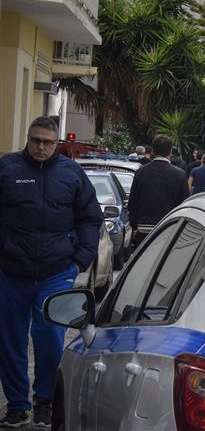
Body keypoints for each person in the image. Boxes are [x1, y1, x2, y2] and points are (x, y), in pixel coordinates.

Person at [0, 116, 103, 428]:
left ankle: (44, 400)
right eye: (35, 140)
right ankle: (17, 406)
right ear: (27, 138)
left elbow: (90, 218)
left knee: (49, 337)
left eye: (47, 142)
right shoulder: (8, 169)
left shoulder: (72, 174)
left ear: (57, 143)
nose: (40, 147)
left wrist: (80, 260)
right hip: (10, 270)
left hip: (56, 271)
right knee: (9, 341)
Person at [128, 135, 189, 247]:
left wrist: (135, 227)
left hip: (144, 230)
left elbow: (133, 203)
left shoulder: (140, 172)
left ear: (153, 151)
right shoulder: (180, 175)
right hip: (169, 229)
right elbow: (184, 205)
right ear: (170, 151)